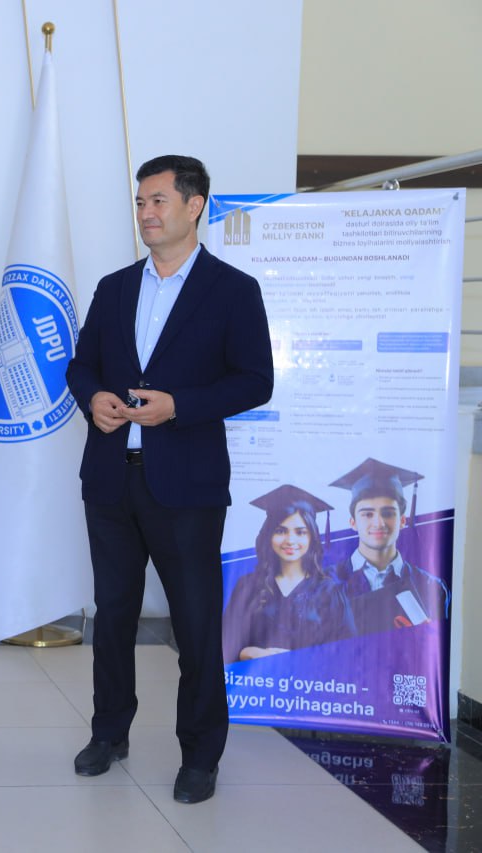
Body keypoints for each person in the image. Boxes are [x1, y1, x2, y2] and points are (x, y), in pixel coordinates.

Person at [64, 155, 274, 804]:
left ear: (194, 205)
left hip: (187, 487)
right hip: (111, 480)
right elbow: (81, 365)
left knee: (195, 624)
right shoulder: (115, 287)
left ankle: (201, 755)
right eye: (140, 202)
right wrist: (93, 398)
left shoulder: (232, 290)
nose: (146, 213)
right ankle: (109, 733)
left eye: (158, 200)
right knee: (113, 618)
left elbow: (255, 380)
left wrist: (179, 406)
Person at [222, 485, 355, 664]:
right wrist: (251, 653)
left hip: (309, 681)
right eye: (280, 531)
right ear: (268, 535)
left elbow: (347, 653)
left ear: (312, 537)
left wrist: (300, 661)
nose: (290, 540)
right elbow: (225, 644)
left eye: (300, 532)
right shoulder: (247, 586)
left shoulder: (330, 592)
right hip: (256, 679)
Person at [328, 458, 448, 636]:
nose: (379, 523)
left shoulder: (432, 588)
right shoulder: (323, 586)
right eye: (367, 514)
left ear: (402, 520)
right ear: (353, 523)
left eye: (388, 513)